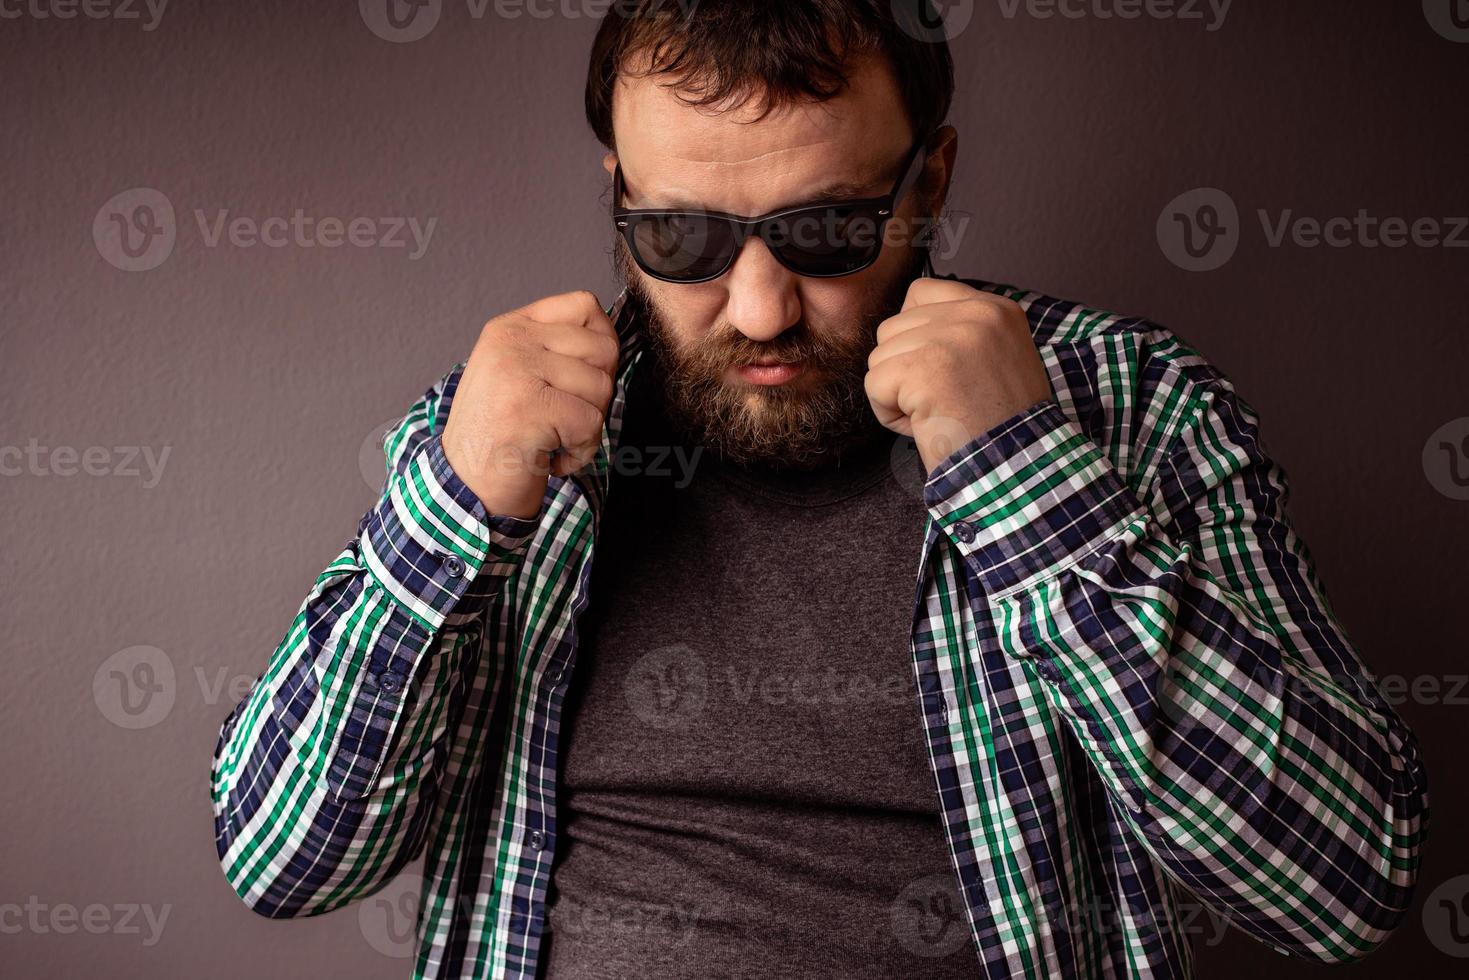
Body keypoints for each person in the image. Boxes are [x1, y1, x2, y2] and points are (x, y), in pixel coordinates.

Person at [209, 3, 1428, 977]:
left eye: (829, 229)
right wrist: (456, 503)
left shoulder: (1130, 406)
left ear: (930, 180)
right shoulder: (505, 436)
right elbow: (281, 860)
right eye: (678, 238)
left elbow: (1338, 883)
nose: (757, 307)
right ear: (618, 197)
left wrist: (1027, 486)